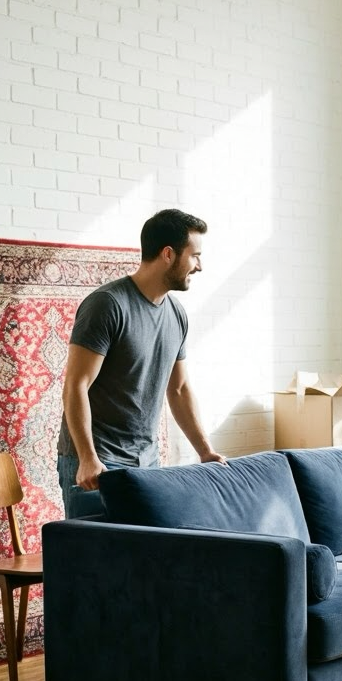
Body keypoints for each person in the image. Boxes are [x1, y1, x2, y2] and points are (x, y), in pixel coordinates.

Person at [57, 207, 226, 521]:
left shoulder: (176, 314)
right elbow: (75, 385)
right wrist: (87, 458)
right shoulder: (108, 305)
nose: (199, 266)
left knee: (145, 558)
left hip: (146, 462)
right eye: (194, 255)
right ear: (167, 254)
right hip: (98, 463)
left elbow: (179, 389)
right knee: (96, 562)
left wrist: (205, 450)